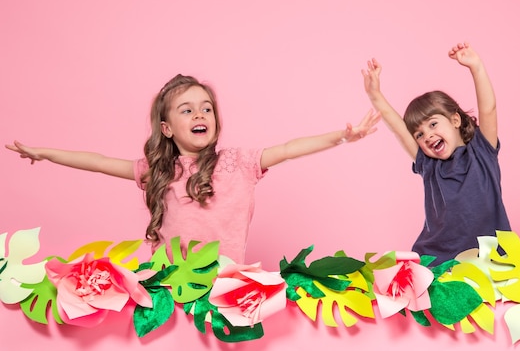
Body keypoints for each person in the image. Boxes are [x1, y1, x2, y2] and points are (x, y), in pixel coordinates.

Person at [6, 74, 381, 264]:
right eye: (187, 110)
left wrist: (342, 137)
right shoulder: (160, 171)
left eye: (206, 107)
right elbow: (100, 163)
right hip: (170, 281)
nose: (200, 114)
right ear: (167, 129)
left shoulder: (239, 162)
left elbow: (288, 149)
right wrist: (46, 154)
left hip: (223, 280)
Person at [361, 42, 511, 266]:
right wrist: (374, 94)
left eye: (433, 124)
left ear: (455, 120)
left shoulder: (482, 151)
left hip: (490, 258)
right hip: (439, 260)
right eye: (419, 134)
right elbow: (399, 129)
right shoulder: (430, 165)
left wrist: (476, 66)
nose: (427, 136)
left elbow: (488, 108)